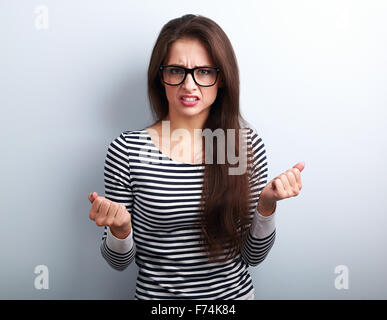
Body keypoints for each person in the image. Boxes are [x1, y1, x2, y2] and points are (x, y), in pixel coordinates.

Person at [88, 14, 305, 300]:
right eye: (177, 70)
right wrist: (121, 230)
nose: (189, 85)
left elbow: (253, 257)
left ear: (222, 79)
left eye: (204, 72)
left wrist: (266, 207)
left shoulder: (242, 146)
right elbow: (118, 262)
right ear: (160, 77)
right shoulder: (127, 150)